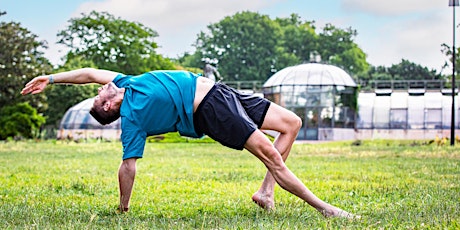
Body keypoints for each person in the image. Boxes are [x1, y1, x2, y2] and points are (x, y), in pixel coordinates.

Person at [21, 68, 356, 218]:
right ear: (109, 106)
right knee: (270, 153)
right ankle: (326, 209)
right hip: (210, 110)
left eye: (100, 90)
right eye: (100, 95)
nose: (99, 88)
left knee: (291, 123)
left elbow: (89, 73)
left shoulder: (125, 82)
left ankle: (265, 193)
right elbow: (128, 166)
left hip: (219, 91)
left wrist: (50, 79)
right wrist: (123, 207)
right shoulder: (133, 120)